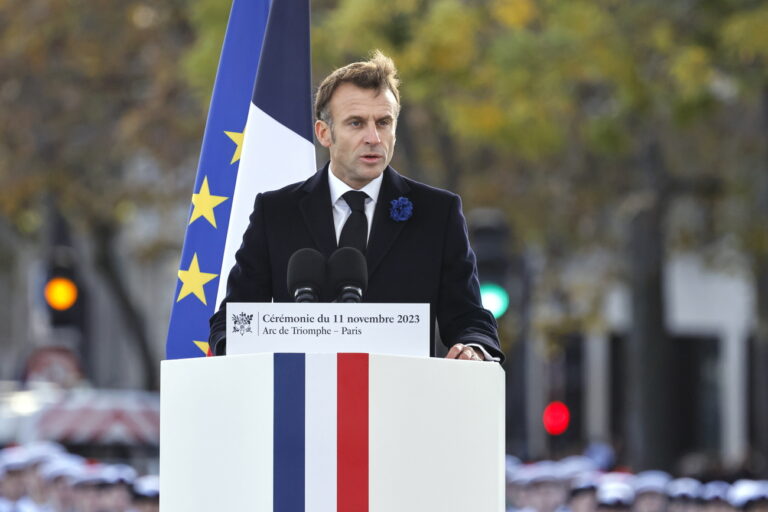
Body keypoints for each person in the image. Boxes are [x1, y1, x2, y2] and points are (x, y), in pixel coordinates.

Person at [209, 50, 503, 362]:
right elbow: (232, 319)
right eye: (356, 123)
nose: (374, 137)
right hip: (300, 401)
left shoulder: (437, 213)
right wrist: (237, 355)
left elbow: (470, 318)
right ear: (325, 133)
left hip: (401, 399)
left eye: (384, 122)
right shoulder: (276, 212)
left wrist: (475, 349)